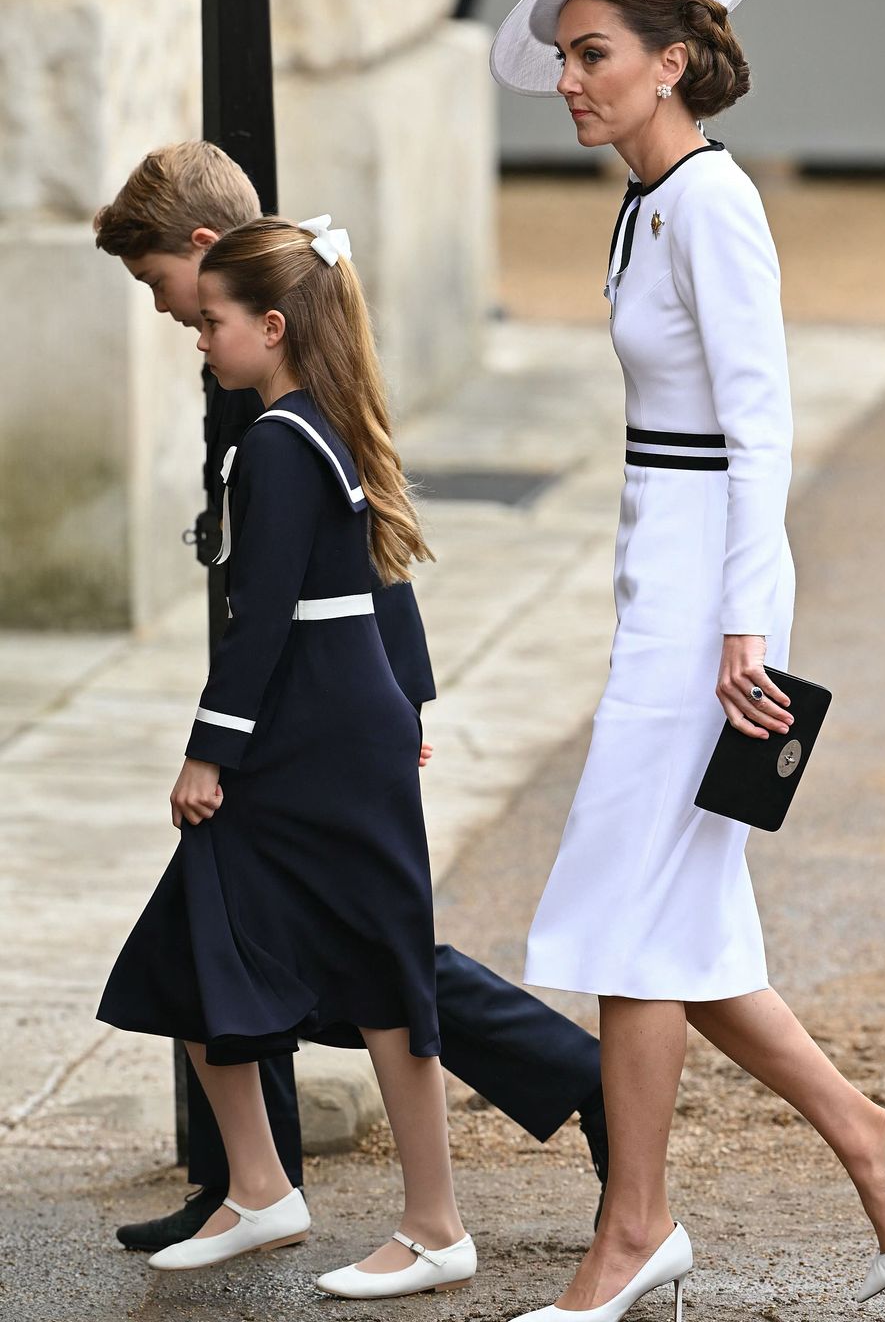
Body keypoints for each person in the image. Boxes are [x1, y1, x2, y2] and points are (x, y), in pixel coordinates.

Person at [488, 0, 885, 1319]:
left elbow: (762, 429)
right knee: (679, 927)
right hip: (667, 576)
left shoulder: (714, 203)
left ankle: (636, 1225)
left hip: (714, 599)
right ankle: (867, 1135)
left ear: (672, 62)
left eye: (594, 55)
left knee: (627, 914)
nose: (572, 80)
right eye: (567, 57)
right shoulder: (644, 202)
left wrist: (746, 631)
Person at [92, 145, 608, 1254]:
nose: (177, 325)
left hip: (313, 725)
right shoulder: (300, 380)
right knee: (228, 945)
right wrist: (399, 696)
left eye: (171, 300)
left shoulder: (276, 409)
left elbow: (302, 597)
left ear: (214, 273)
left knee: (376, 963)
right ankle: (255, 1186)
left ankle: (420, 1198)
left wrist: (229, 744)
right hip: (331, 713)